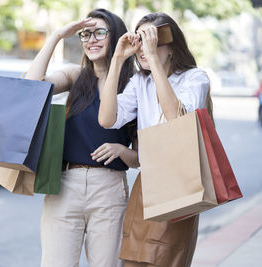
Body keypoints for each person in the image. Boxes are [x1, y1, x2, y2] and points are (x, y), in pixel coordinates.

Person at [97, 12, 214, 267]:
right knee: (133, 260)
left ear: (172, 47)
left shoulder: (195, 78)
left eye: (154, 39)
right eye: (140, 40)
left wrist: (152, 59)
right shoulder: (141, 82)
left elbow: (176, 120)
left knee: (165, 259)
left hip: (180, 182)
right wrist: (117, 59)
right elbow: (107, 119)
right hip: (146, 183)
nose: (144, 47)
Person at [25, 8, 139, 267]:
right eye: (85, 34)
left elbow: (140, 158)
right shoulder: (75, 76)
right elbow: (33, 85)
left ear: (117, 36)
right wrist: (56, 36)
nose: (91, 39)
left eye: (100, 32)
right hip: (65, 186)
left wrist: (121, 150)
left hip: (109, 189)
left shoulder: (134, 86)